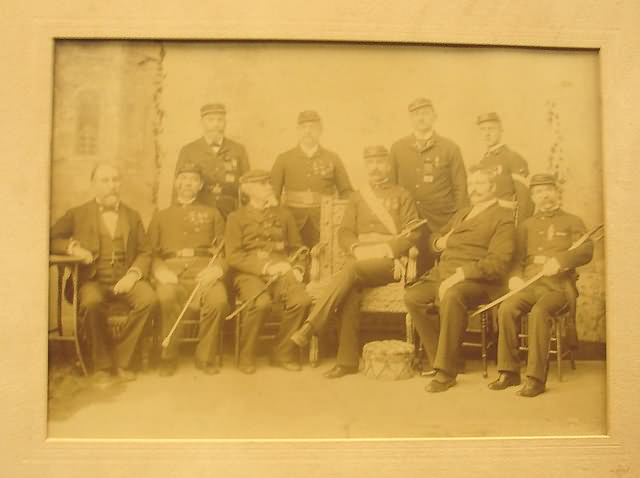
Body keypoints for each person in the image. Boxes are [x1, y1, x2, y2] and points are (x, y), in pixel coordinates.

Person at [290, 145, 421, 378]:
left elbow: (413, 233)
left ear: (388, 165)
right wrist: (356, 248)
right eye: (371, 163)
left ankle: (311, 326)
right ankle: (347, 361)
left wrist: (386, 248)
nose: (375, 168)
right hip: (360, 259)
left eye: (380, 162)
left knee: (350, 270)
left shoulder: (403, 195)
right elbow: (344, 233)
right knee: (349, 290)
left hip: (389, 262)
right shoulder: (358, 197)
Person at [403, 166, 515, 393]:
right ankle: (444, 358)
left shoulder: (503, 219)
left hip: (479, 280)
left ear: (493, 188)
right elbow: (436, 237)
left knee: (452, 296)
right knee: (413, 297)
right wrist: (438, 243)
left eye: (481, 184)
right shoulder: (462, 213)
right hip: (444, 273)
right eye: (471, 184)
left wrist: (461, 274)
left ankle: (445, 373)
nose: (474, 189)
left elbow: (498, 263)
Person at [50, 162, 158, 385]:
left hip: (126, 279)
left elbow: (146, 251)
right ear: (93, 184)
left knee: (149, 299)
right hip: (92, 280)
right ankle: (102, 365)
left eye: (115, 180)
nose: (112, 186)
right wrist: (73, 249)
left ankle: (122, 359)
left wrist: (133, 275)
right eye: (105, 180)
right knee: (90, 302)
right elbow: (50, 238)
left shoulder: (132, 215)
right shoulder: (77, 214)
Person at [489, 173, 594, 397]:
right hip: (530, 285)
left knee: (539, 312)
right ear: (533, 197)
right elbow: (516, 259)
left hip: (559, 288)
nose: (544, 195)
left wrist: (562, 261)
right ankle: (509, 372)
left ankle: (536, 379)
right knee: (506, 308)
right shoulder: (526, 226)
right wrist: (515, 277)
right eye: (538, 192)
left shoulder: (573, 221)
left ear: (556, 192)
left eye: (548, 190)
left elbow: (586, 250)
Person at [225, 170, 312, 374]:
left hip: (283, 269)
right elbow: (234, 256)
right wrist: (265, 268)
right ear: (248, 190)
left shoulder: (284, 214)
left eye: (268, 183)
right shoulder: (236, 218)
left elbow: (298, 248)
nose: (269, 187)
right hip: (249, 273)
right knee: (260, 303)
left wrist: (298, 269)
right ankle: (247, 354)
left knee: (302, 301)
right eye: (262, 184)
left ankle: (281, 352)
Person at [148, 161, 229, 376]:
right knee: (165, 297)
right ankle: (168, 356)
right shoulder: (161, 216)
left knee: (218, 301)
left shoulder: (213, 213)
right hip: (170, 271)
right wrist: (160, 271)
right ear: (176, 183)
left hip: (204, 270)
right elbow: (151, 253)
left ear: (200, 185)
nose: (187, 184)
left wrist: (217, 270)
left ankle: (205, 357)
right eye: (183, 179)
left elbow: (224, 250)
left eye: (193, 180)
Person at [389, 98, 469, 273]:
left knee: (446, 270)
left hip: (443, 222)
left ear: (434, 116)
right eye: (416, 114)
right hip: (410, 223)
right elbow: (392, 189)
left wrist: (459, 223)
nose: (421, 118)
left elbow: (461, 188)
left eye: (425, 113)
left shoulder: (450, 148)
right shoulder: (398, 148)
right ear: (411, 119)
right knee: (414, 272)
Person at [271, 110, 353, 248]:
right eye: (303, 127)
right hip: (291, 219)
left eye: (313, 127)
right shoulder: (284, 159)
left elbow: (346, 192)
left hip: (324, 220)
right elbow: (272, 195)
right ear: (297, 131)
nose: (308, 132)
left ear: (320, 130)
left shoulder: (332, 158)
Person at [173, 103, 250, 218]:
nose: (215, 125)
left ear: (225, 123)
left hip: (230, 211)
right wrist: (177, 212)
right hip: (198, 210)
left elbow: (247, 184)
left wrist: (246, 213)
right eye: (210, 120)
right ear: (202, 123)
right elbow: (178, 185)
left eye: (220, 120)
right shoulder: (189, 150)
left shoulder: (238, 149)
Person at [476, 112, 534, 220]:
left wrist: (520, 230)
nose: (487, 133)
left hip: (505, 221)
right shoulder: (482, 162)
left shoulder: (513, 158)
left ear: (501, 130)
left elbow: (525, 200)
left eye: (491, 129)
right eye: (483, 129)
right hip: (484, 220)